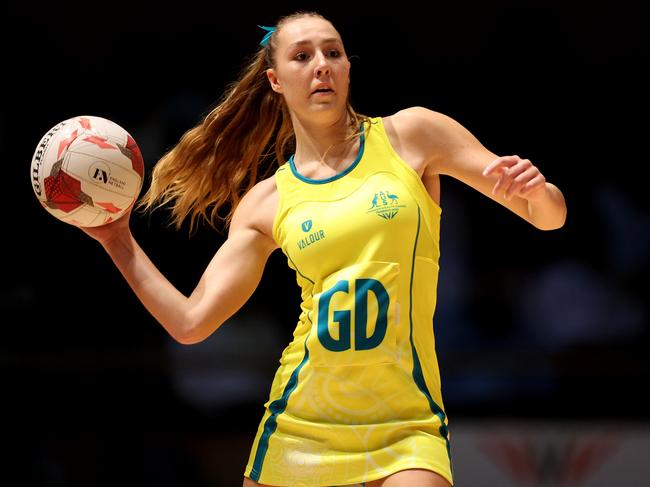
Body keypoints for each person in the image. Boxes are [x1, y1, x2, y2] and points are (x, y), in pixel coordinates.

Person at [81, 10, 567, 487]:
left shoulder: (412, 135)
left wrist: (536, 192)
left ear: (348, 68)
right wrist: (116, 239)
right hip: (303, 424)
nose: (322, 64)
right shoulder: (267, 200)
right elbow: (190, 324)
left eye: (333, 52)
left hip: (407, 420)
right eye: (302, 55)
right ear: (275, 81)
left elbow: (551, 218)